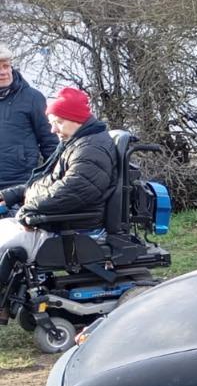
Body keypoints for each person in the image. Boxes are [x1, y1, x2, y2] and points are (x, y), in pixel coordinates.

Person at [0, 87, 116, 299]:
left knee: (4, 244)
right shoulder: (78, 142)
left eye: (58, 122)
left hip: (75, 225)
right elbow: (51, 181)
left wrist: (28, 210)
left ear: (76, 119)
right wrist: (13, 195)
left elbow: (72, 191)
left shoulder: (90, 149)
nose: (53, 130)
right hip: (64, 218)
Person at [0, 45, 59, 195]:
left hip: (20, 183)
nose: (3, 72)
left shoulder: (32, 98)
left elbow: (50, 141)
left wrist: (54, 178)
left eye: (6, 66)